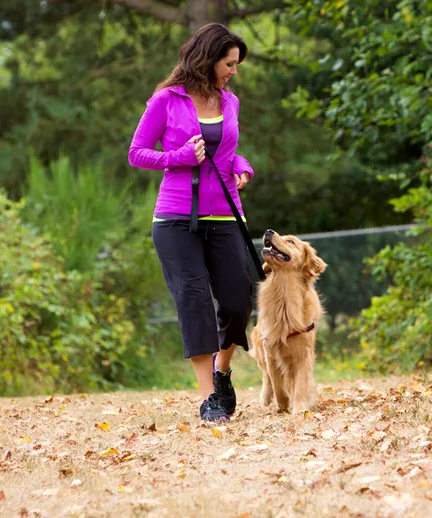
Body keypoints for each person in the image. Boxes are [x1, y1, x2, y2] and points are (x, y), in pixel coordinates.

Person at [128, 23, 254, 422]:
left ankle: (222, 372)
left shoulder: (228, 101)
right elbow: (137, 153)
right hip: (175, 218)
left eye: (235, 64)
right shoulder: (165, 100)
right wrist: (176, 157)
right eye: (229, 63)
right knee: (195, 302)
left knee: (238, 300)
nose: (233, 71)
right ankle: (209, 400)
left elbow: (229, 152)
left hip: (226, 213)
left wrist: (244, 168)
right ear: (208, 58)